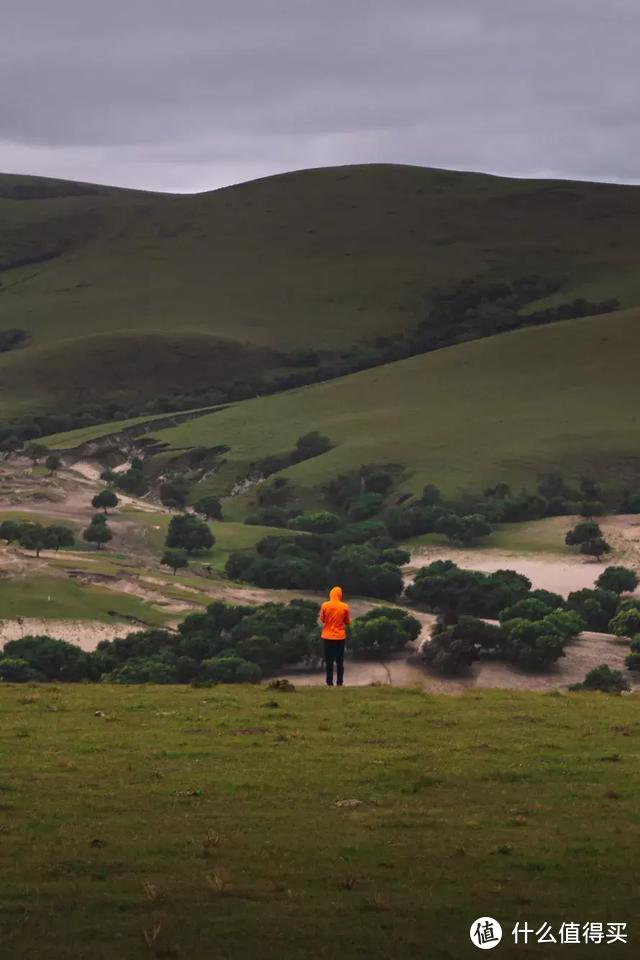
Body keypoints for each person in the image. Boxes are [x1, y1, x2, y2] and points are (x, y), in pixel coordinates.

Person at [319, 585, 350, 686]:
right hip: (340, 637)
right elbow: (347, 621)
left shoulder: (325, 605)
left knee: (329, 661)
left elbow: (322, 619)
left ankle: (329, 682)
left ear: (331, 594)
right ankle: (340, 682)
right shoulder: (344, 606)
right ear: (340, 595)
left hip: (327, 637)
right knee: (340, 661)